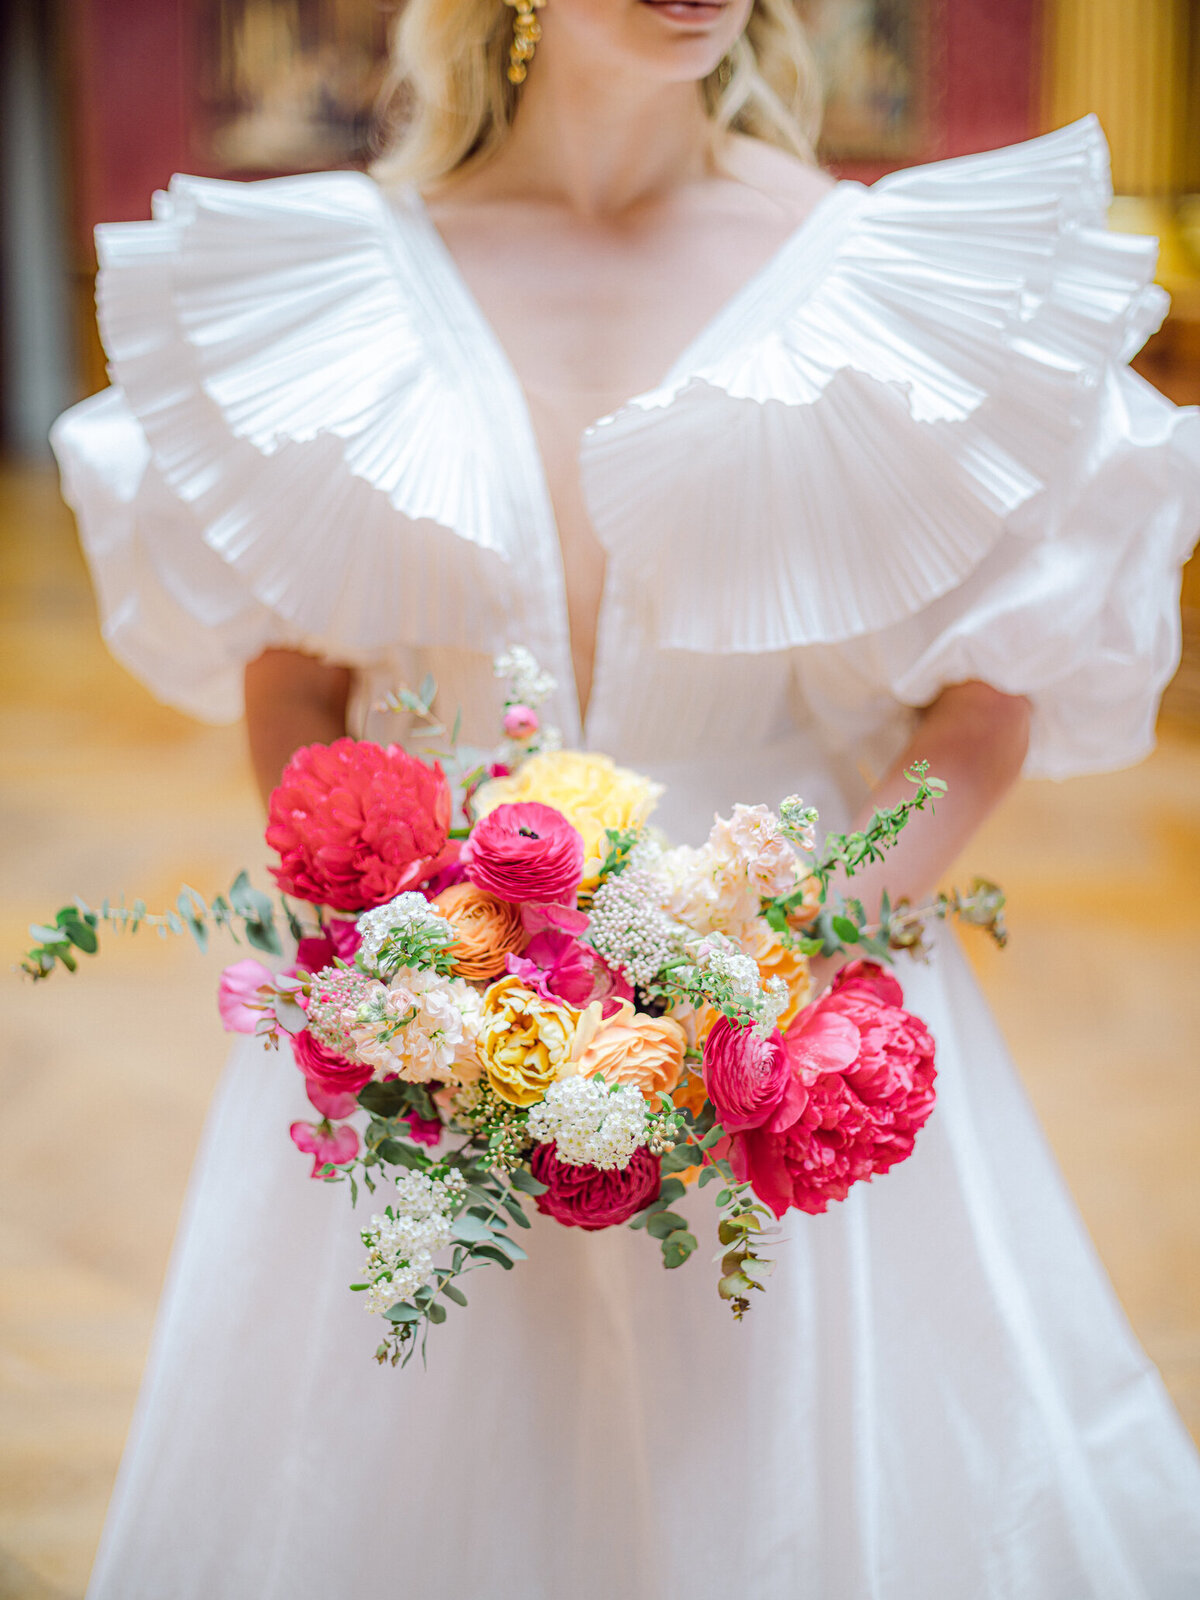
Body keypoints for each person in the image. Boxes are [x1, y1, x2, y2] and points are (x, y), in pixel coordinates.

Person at [51, 0, 1200, 1594]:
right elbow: (297, 686)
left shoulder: (886, 282)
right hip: (432, 1025)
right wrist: (406, 967)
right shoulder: (335, 281)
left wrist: (787, 974)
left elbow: (987, 707)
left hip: (788, 1017)